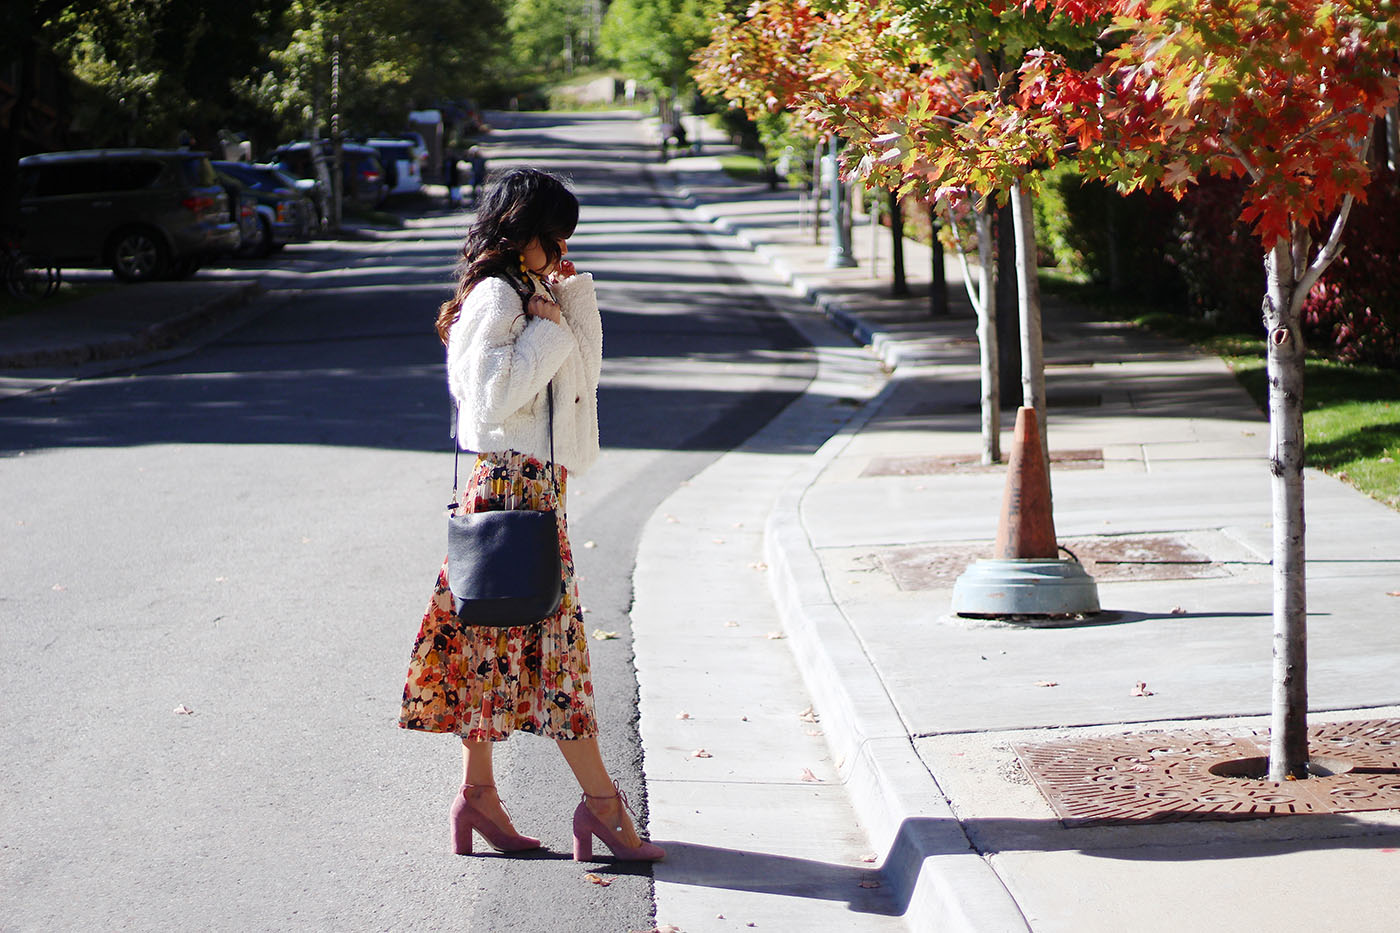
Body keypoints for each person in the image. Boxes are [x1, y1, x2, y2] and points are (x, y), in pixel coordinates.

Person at [399, 168, 664, 863]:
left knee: (491, 645)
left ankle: (479, 795)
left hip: (536, 485)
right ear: (526, 234)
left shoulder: (533, 292)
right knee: (555, 653)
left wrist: (568, 303)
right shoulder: (493, 297)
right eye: (557, 234)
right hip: (509, 488)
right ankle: (602, 806)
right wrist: (545, 335)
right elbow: (487, 404)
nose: (565, 244)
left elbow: (583, 379)